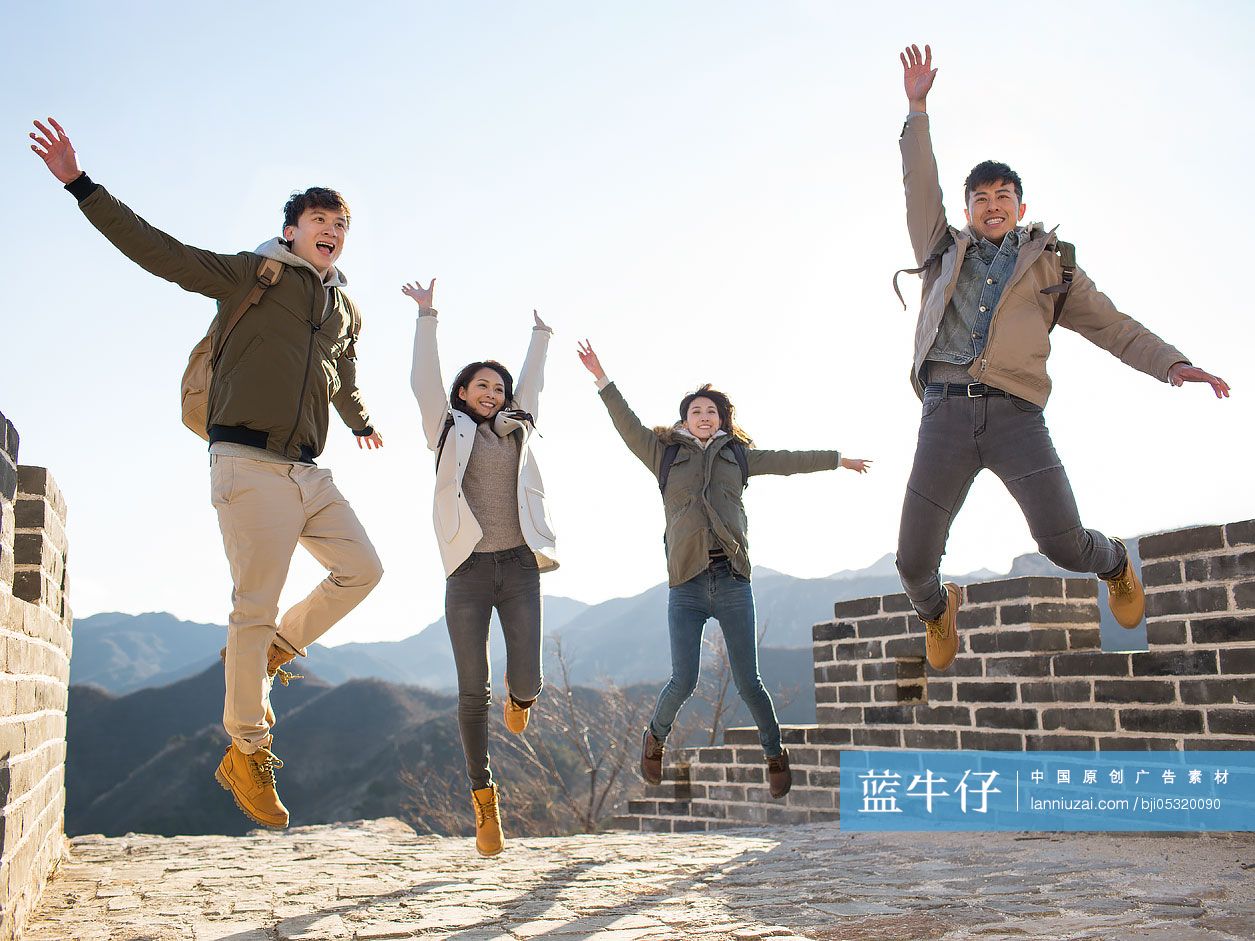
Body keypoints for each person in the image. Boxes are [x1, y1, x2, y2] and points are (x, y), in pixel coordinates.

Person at [30, 118, 385, 830]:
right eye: (319, 220)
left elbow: (342, 375)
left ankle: (277, 649)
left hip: (308, 470)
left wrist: (360, 420)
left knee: (363, 569)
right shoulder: (252, 274)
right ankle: (246, 751)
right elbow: (160, 253)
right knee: (253, 604)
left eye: (340, 223)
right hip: (245, 461)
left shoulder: (344, 305)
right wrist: (81, 186)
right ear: (289, 231)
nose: (331, 230)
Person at [892, 46, 1230, 671]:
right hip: (945, 414)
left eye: (1004, 196)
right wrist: (918, 109)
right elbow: (918, 184)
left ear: (1020, 207)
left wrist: (1174, 364)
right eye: (980, 198)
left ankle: (1116, 565)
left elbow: (1114, 327)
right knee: (912, 562)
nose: (992, 205)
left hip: (1018, 417)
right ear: (967, 211)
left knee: (1064, 544)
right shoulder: (941, 250)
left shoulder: (1055, 267)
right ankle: (938, 609)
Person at [576, 340, 869, 798]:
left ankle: (774, 753)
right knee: (683, 680)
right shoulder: (664, 454)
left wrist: (837, 460)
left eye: (711, 410)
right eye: (696, 410)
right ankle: (655, 738)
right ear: (684, 419)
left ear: (723, 418)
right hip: (687, 584)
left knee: (749, 680)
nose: (704, 415)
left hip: (731, 578)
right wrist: (602, 378)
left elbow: (790, 461)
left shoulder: (739, 456)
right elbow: (626, 424)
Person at [404, 278, 557, 857]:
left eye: (499, 387)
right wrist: (427, 316)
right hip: (466, 573)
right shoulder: (445, 429)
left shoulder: (519, 428)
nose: (492, 393)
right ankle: (484, 799)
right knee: (473, 692)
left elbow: (533, 385)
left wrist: (540, 337)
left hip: (519, 567)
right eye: (481, 385)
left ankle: (523, 700)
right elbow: (423, 382)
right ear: (463, 392)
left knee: (527, 681)